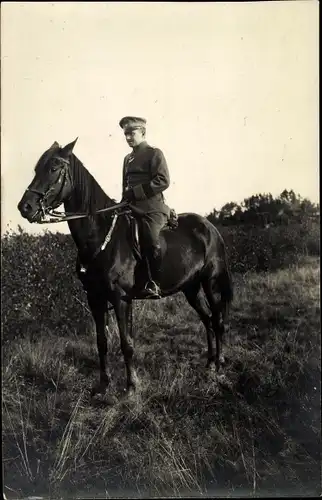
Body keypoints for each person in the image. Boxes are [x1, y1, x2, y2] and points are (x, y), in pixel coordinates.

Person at [119, 116, 170, 299]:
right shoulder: (127, 159)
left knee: (151, 240)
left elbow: (163, 181)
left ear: (142, 132)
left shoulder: (154, 153)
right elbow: (125, 187)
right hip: (130, 207)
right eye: (125, 134)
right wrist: (123, 200)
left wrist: (136, 193)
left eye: (131, 133)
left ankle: (155, 283)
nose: (128, 138)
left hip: (151, 207)